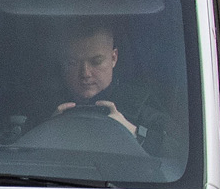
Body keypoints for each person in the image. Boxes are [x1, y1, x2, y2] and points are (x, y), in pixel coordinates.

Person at [45, 23, 170, 156]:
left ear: (113, 58)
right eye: (73, 63)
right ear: (61, 62)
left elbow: (180, 153)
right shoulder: (43, 105)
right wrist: (47, 132)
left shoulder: (142, 107)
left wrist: (134, 133)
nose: (85, 73)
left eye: (96, 62)